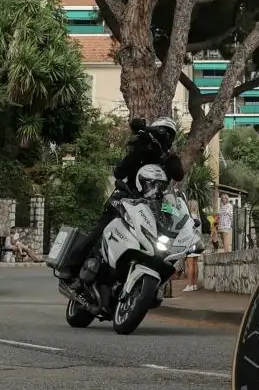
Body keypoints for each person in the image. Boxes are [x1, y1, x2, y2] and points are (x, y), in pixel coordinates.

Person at [54, 118, 183, 280]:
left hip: (150, 208)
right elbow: (119, 173)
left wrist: (164, 156)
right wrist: (142, 145)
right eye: (162, 131)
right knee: (99, 230)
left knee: (157, 244)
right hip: (124, 197)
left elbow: (178, 174)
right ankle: (71, 266)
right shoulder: (140, 148)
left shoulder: (170, 159)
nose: (166, 136)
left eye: (170, 134)